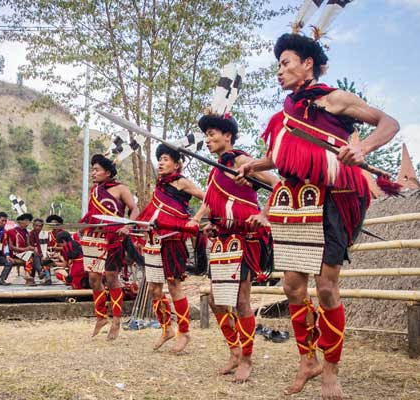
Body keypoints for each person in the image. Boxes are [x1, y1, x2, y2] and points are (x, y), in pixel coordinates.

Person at [238, 33, 400, 399]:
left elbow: (388, 123)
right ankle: (307, 359)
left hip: (334, 197)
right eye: (278, 65)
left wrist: (363, 148)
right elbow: (281, 158)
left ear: (307, 63)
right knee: (293, 287)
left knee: (326, 288)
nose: (280, 72)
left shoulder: (334, 100)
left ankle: (331, 370)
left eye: (286, 63)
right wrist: (253, 165)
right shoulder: (284, 117)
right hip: (296, 202)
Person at [188, 110, 277, 382]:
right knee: (216, 300)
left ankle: (248, 359)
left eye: (212, 133)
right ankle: (235, 350)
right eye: (206, 135)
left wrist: (264, 215)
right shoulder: (216, 171)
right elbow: (213, 202)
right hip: (222, 241)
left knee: (241, 301)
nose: (208, 138)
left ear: (228, 135)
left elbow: (277, 184)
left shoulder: (241, 160)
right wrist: (205, 220)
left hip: (245, 239)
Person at [136, 144, 204, 353]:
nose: (161, 163)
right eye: (160, 159)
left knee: (174, 284)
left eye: (166, 159)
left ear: (177, 164)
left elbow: (209, 198)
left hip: (173, 238)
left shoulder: (182, 183)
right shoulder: (159, 186)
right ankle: (166, 328)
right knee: (153, 287)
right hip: (154, 238)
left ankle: (184, 332)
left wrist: (196, 219)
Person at [79, 154, 141, 341]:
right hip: (94, 236)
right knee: (93, 278)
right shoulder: (95, 190)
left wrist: (127, 226)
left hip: (113, 238)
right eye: (93, 169)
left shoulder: (121, 189)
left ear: (108, 172)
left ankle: (116, 320)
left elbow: (134, 209)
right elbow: (92, 213)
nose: (93, 173)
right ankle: (100, 316)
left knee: (112, 278)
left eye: (97, 170)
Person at [7, 213, 43, 286]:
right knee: (30, 256)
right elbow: (10, 246)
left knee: (33, 254)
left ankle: (30, 277)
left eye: (29, 221)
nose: (27, 223)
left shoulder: (27, 232)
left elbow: (28, 245)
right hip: (15, 254)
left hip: (25, 254)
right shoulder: (11, 231)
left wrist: (32, 248)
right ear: (20, 221)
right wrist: (25, 249)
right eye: (26, 221)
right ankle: (34, 273)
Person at [28, 218, 52, 285]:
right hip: (33, 254)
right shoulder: (31, 234)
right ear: (33, 225)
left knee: (45, 258)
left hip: (43, 253)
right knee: (35, 255)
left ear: (42, 226)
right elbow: (32, 246)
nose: (38, 227)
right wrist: (41, 255)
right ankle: (43, 274)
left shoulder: (45, 234)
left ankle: (44, 275)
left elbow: (48, 245)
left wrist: (46, 254)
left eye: (40, 226)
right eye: (36, 225)